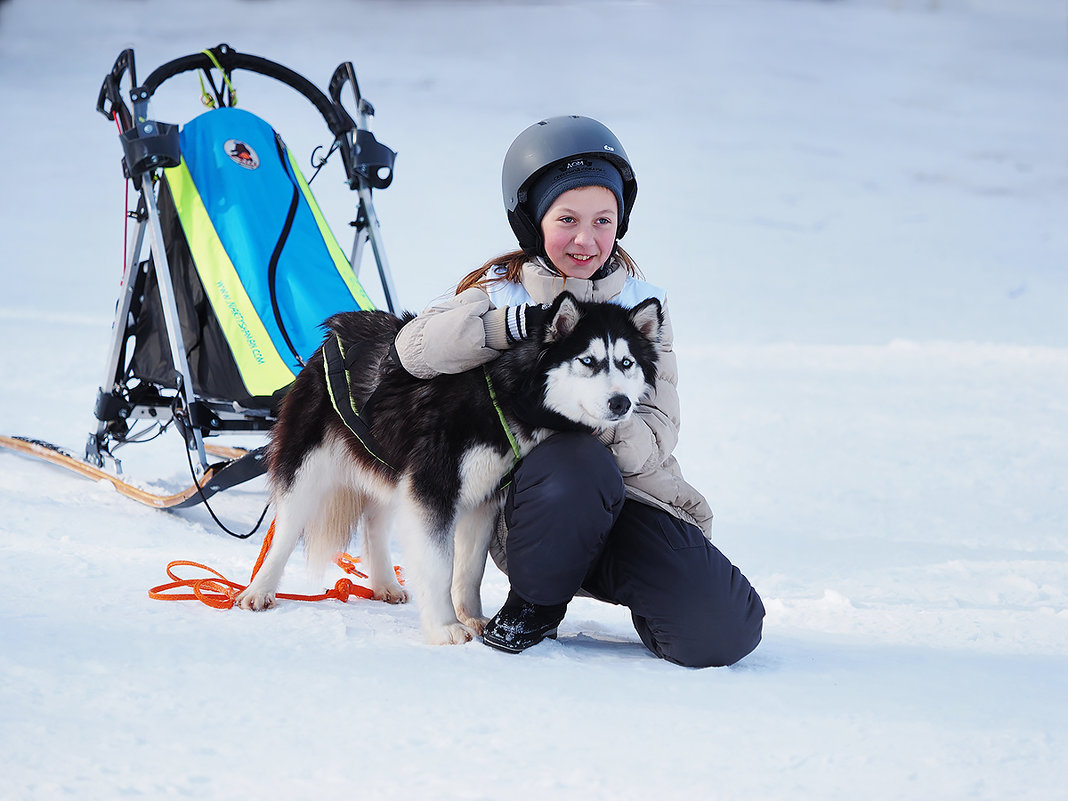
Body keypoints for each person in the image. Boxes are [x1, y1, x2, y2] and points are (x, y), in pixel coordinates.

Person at [393, 115, 764, 667]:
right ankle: (536, 607)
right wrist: (498, 328)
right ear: (533, 220)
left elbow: (656, 436)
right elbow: (414, 349)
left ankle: (651, 593)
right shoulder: (500, 295)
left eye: (603, 220)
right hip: (535, 513)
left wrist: (601, 412)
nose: (585, 239)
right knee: (572, 461)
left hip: (632, 501)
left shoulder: (644, 306)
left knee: (722, 630)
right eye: (566, 219)